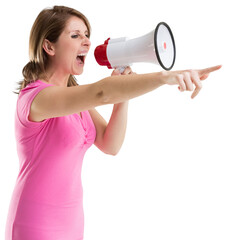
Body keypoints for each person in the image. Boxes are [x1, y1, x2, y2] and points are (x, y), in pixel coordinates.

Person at [5, 5, 221, 240]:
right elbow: (101, 92)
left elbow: (111, 144)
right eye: (76, 35)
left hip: (71, 221)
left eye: (87, 34)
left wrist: (123, 94)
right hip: (35, 222)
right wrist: (165, 77)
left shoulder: (76, 102)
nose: (86, 42)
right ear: (49, 46)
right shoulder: (36, 97)